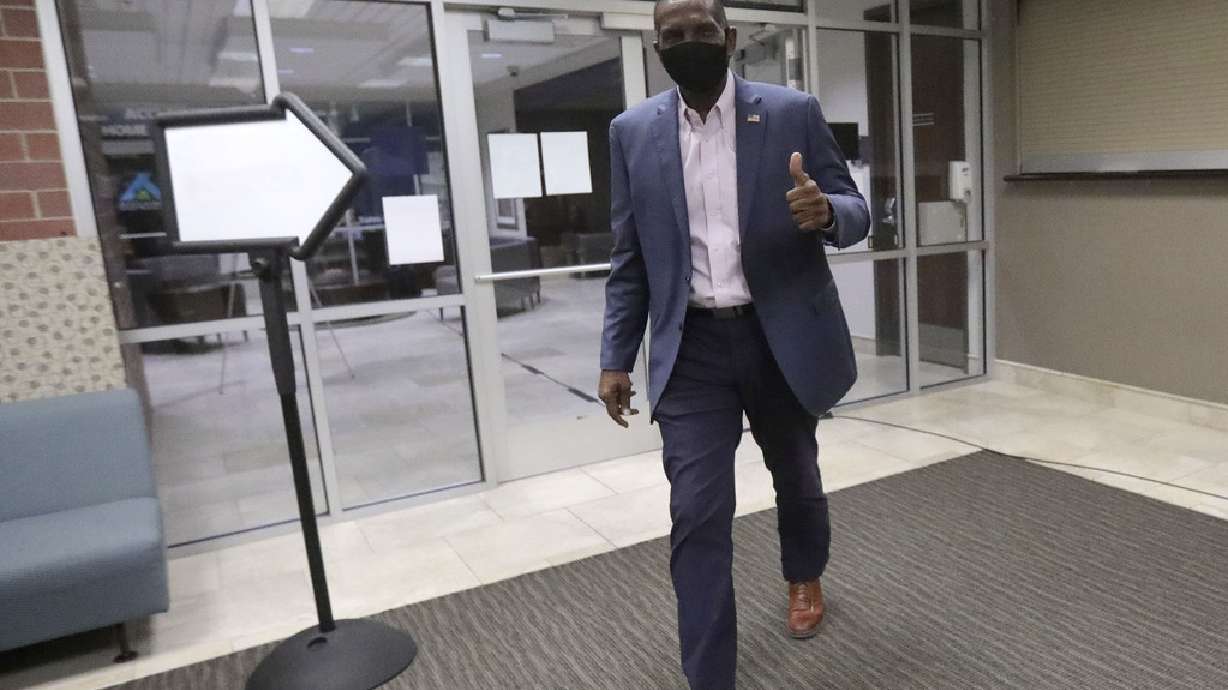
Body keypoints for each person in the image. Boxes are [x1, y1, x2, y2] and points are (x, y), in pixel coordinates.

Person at [597, 1, 870, 687]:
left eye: (703, 32)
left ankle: (804, 574)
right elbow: (629, 256)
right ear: (658, 46)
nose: (689, 44)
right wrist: (614, 356)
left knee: (797, 477)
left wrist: (828, 213)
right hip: (692, 350)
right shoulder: (632, 132)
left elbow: (856, 207)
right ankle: (709, 676)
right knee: (696, 512)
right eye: (674, 37)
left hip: (778, 337)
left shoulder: (790, 111)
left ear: (732, 39)